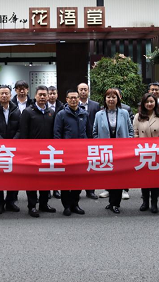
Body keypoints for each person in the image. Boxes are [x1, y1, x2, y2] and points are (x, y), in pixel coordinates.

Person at [93, 88, 134, 214]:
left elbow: (131, 131)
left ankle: (116, 203)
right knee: (109, 177)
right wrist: (99, 144)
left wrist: (128, 143)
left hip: (121, 152)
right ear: (105, 99)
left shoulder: (124, 113)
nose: (111, 99)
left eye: (114, 97)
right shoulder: (99, 114)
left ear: (118, 99)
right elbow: (94, 132)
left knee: (119, 177)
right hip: (106, 151)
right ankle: (111, 201)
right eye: (108, 97)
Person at [19, 85, 57, 217]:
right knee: (32, 181)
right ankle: (32, 206)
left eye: (44, 95)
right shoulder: (28, 112)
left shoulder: (51, 112)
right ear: (35, 96)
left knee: (46, 180)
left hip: (47, 153)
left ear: (48, 97)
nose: (42, 97)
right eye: (40, 95)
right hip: (32, 153)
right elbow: (23, 134)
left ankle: (44, 204)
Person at [0, 85, 21, 214]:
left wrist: (12, 143)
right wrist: (3, 143)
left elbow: (20, 129)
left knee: (14, 176)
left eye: (7, 93)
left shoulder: (17, 111)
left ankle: (10, 202)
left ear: (10, 95)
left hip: (13, 149)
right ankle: (0, 203)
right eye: (2, 93)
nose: (4, 96)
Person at [53, 88, 88, 216]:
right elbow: (57, 135)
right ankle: (66, 206)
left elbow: (88, 133)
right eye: (71, 98)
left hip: (80, 153)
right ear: (66, 100)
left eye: (76, 97)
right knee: (65, 181)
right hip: (66, 154)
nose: (74, 100)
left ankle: (75, 204)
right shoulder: (61, 114)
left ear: (79, 99)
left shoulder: (84, 114)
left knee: (78, 181)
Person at [133, 93, 159, 213]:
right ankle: (145, 202)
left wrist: (157, 144)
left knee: (155, 180)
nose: (149, 104)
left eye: (151, 102)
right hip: (142, 152)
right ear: (143, 103)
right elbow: (135, 133)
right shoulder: (138, 116)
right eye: (147, 102)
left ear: (155, 103)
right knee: (144, 180)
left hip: (156, 152)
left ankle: (154, 203)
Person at [77, 82, 101, 200]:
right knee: (78, 167)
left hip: (91, 139)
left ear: (88, 91)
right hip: (77, 141)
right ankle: (77, 190)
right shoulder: (72, 104)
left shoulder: (95, 105)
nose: (83, 92)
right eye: (81, 89)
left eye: (85, 89)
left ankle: (90, 190)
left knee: (91, 166)